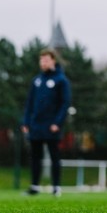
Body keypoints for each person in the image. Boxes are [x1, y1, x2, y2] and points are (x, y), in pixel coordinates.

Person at [21, 48, 72, 196]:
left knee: (54, 156)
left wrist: (57, 122)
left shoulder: (61, 80)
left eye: (46, 59)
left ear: (53, 61)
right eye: (41, 60)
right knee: (36, 157)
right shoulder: (36, 80)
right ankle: (34, 186)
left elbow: (65, 103)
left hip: (52, 126)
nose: (43, 62)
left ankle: (56, 187)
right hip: (36, 125)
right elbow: (29, 103)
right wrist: (25, 122)